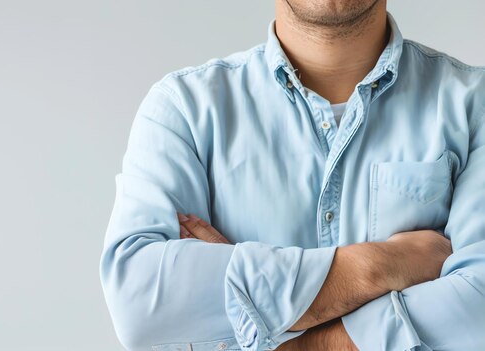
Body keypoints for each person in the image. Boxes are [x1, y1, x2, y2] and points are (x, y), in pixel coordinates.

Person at [99, 1, 485, 350]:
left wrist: (285, 341)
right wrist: (381, 264)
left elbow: (478, 306)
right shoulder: (183, 110)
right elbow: (138, 300)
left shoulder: (474, 105)